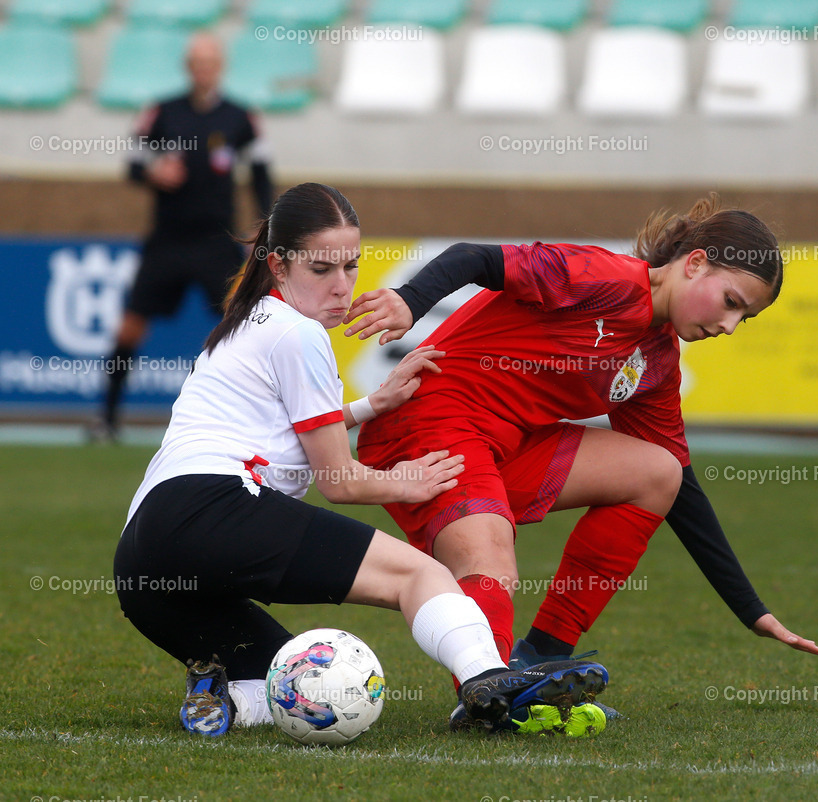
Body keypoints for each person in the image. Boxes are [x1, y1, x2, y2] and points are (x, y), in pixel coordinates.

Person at [112, 183, 609, 738]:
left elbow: (279, 430)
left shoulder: (245, 322)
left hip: (142, 559)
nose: (341, 286)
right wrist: (407, 480)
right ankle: (490, 678)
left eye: (351, 266)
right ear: (277, 263)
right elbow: (339, 482)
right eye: (322, 269)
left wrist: (370, 405)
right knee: (423, 576)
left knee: (286, 676)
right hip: (214, 508)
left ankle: (221, 700)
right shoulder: (299, 334)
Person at [345, 195, 818, 728]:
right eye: (731, 301)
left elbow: (681, 487)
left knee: (657, 473)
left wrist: (751, 609)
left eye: (746, 317)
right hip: (427, 424)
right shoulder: (601, 276)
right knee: (491, 561)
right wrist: (410, 302)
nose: (731, 326)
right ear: (695, 264)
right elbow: (474, 257)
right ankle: (486, 692)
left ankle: (538, 661)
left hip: (506, 445)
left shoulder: (658, 361)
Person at [93, 32, 274, 441]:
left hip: (216, 240)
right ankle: (107, 419)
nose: (203, 69)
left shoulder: (240, 117)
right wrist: (152, 172)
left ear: (220, 66)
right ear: (188, 67)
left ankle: (253, 423)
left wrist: (264, 225)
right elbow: (133, 163)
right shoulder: (162, 112)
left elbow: (261, 173)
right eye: (196, 62)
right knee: (128, 329)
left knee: (242, 328)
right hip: (168, 239)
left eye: (210, 62)